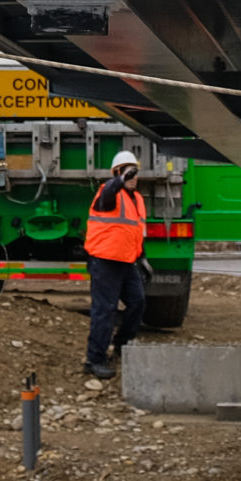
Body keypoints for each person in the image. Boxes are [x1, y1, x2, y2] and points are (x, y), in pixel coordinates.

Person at [82, 148, 148, 379]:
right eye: (128, 173)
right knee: (105, 310)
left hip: (127, 262)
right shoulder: (107, 194)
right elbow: (111, 188)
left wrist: (143, 258)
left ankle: (121, 345)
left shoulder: (137, 200)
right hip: (105, 261)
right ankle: (94, 360)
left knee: (138, 302)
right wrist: (121, 179)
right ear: (118, 174)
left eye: (135, 173)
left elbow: (136, 232)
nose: (133, 177)